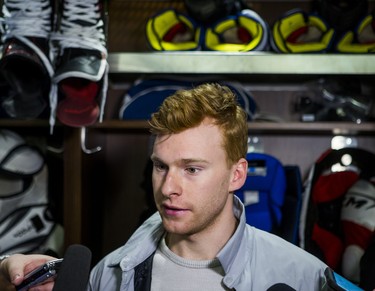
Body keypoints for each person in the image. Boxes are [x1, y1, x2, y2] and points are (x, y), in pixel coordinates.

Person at [0, 83, 346, 290]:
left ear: (236, 176)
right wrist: (6, 268)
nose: (168, 188)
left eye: (192, 169)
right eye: (160, 166)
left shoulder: (305, 276)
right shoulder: (111, 273)